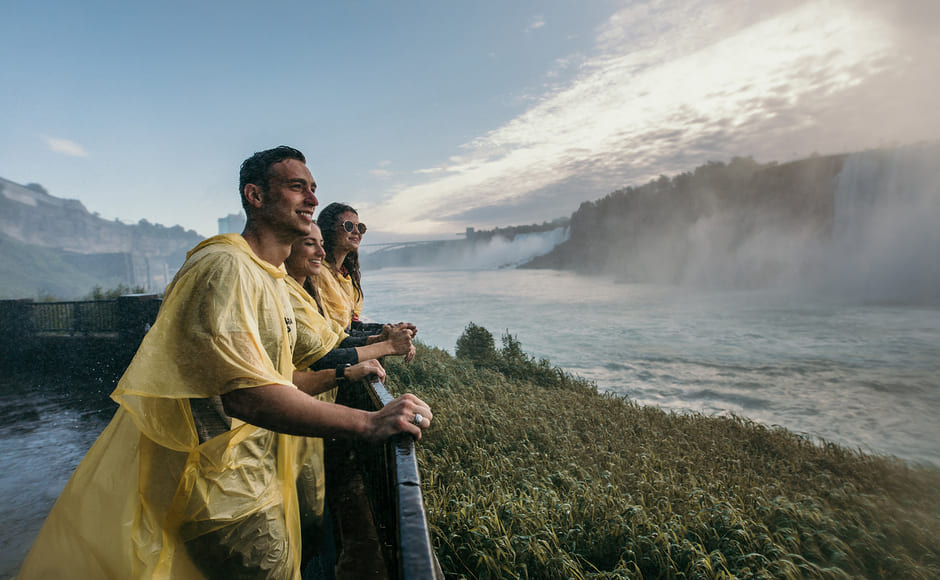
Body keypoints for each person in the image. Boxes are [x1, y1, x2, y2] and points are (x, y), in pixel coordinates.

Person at [17, 146, 432, 580]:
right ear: (254, 196)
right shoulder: (226, 267)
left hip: (257, 476)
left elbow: (279, 377)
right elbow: (247, 396)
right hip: (223, 491)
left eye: (313, 189)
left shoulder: (267, 277)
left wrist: (348, 371)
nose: (311, 199)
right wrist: (367, 423)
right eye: (296, 187)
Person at [315, 202, 417, 341]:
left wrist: (391, 330)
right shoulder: (318, 273)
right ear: (329, 230)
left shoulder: (346, 276)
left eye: (360, 227)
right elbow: (331, 337)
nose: (357, 232)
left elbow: (352, 326)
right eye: (349, 226)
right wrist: (383, 338)